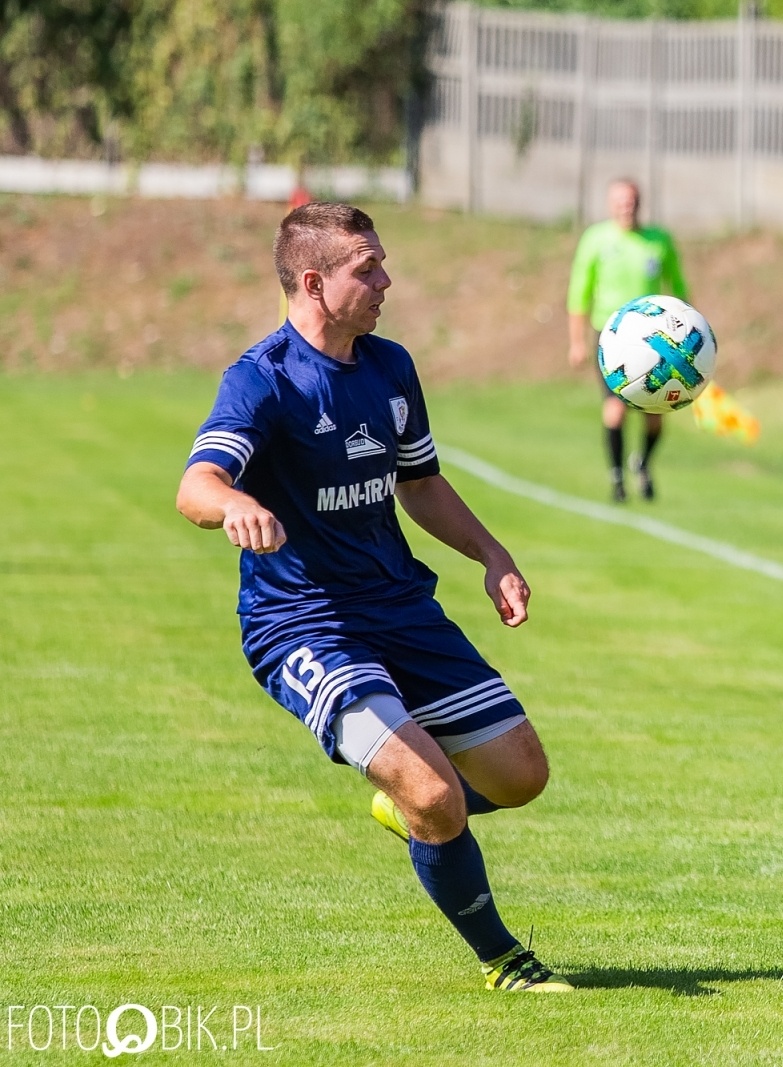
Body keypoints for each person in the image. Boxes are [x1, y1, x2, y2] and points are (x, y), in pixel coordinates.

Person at [176, 202, 572, 993]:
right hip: (303, 624)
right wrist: (236, 505)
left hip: (398, 606)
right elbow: (197, 484)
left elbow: (419, 484)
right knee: (433, 789)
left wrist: (491, 555)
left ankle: (416, 811)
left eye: (383, 261)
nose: (387, 280)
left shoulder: (390, 367)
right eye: (369, 268)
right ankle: (505, 958)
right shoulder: (264, 380)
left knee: (521, 774)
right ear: (315, 283)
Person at [567, 178, 690, 502]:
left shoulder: (658, 241)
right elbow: (579, 292)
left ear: (640, 203)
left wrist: (689, 335)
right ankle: (617, 478)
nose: (627, 206)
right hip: (611, 340)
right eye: (621, 200)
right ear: (610, 204)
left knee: (655, 414)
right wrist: (576, 341)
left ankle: (643, 464)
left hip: (656, 341)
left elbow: (678, 288)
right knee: (615, 410)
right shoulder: (596, 239)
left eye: (632, 200)